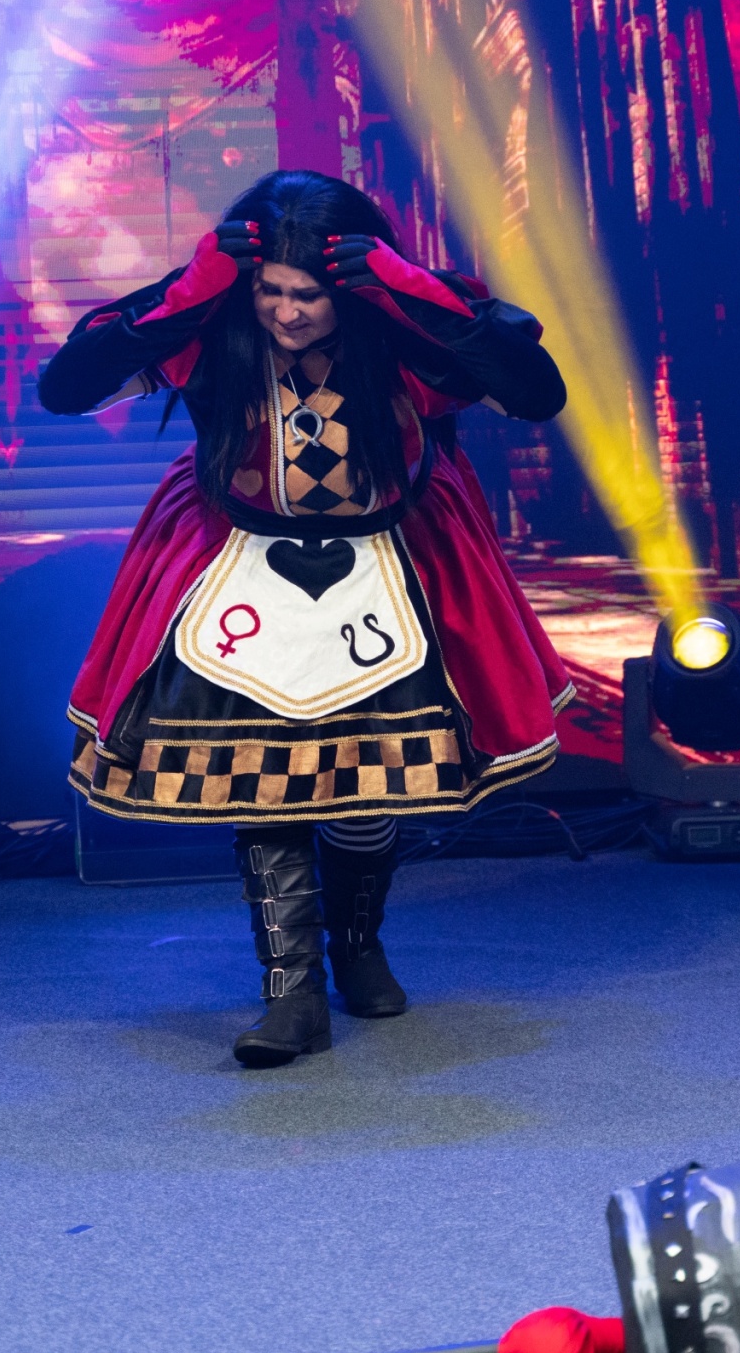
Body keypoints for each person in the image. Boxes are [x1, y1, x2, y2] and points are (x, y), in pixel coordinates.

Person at [38, 169, 573, 1067]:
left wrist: (410, 287)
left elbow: (535, 392)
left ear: (348, 287)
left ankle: (358, 944)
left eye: (308, 296)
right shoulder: (212, 333)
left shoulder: (397, 333)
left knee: (370, 778)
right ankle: (291, 994)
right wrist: (188, 290)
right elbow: (67, 389)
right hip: (243, 563)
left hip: (386, 565)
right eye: (270, 291)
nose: (286, 313)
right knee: (264, 783)